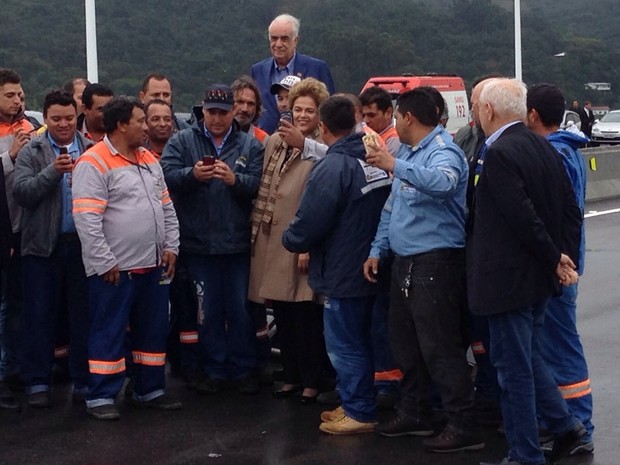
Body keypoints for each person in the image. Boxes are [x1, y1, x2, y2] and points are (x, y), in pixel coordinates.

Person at [469, 78, 585, 465]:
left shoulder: (499, 152)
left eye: (478, 107)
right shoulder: (544, 145)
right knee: (531, 357)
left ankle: (525, 454)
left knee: (512, 370)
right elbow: (570, 210)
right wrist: (562, 255)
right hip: (535, 280)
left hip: (509, 281)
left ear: (489, 110)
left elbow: (521, 217)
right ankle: (566, 428)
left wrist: (555, 257)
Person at [362, 89, 480, 453]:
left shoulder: (444, 151)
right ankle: (414, 411)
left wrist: (393, 165)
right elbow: (391, 209)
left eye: (397, 116)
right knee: (406, 344)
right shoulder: (410, 152)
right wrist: (377, 249)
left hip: (436, 262)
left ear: (409, 117)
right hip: (405, 260)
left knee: (440, 346)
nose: (395, 122)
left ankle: (462, 422)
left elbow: (443, 184)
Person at [283, 95, 391, 434]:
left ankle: (359, 411)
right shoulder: (373, 158)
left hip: (343, 269)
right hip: (371, 263)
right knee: (365, 339)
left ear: (322, 127)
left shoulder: (332, 167)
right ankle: (355, 401)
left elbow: (311, 220)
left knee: (345, 345)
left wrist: (291, 239)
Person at [72, 96, 181, 420]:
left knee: (152, 331)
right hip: (115, 270)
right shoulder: (94, 162)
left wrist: (172, 246)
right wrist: (105, 262)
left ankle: (149, 389)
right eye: (140, 121)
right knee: (109, 330)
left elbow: (166, 208)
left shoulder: (148, 159)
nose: (146, 127)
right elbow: (87, 220)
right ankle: (101, 395)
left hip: (152, 267)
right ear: (121, 125)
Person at [161, 84, 264, 396]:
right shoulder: (182, 140)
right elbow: (165, 176)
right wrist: (192, 176)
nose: (217, 118)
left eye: (223, 112)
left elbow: (261, 184)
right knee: (207, 312)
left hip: (237, 245)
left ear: (233, 112)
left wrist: (236, 181)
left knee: (239, 310)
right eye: (212, 112)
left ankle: (244, 369)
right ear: (202, 110)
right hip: (199, 245)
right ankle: (215, 368)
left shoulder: (250, 144)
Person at [249, 78, 328, 403]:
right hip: (271, 238)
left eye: (310, 110)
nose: (303, 114)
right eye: (298, 108)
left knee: (306, 316)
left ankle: (314, 378)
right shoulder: (273, 142)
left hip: (301, 241)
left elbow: (320, 198)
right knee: (281, 311)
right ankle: (292, 375)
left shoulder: (321, 147)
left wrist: (308, 244)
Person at [13, 90, 93, 408]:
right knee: (38, 316)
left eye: (69, 118)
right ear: (45, 118)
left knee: (81, 317)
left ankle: (84, 382)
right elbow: (22, 193)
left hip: (80, 247)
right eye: (56, 118)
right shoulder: (32, 151)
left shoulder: (89, 149)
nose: (63, 124)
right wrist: (52, 173)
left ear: (78, 117)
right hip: (41, 248)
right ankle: (37, 382)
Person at [526, 83, 594, 456]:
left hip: (558, 267)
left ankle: (579, 424)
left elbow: (555, 216)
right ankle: (563, 420)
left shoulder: (554, 155)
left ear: (532, 115)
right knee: (554, 345)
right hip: (565, 262)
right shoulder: (568, 150)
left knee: (561, 346)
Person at [143, 98, 200, 386]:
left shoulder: (185, 149)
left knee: (187, 308)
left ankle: (187, 366)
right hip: (147, 248)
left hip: (183, 242)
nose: (163, 123)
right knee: (150, 315)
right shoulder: (138, 155)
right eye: (156, 119)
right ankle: (145, 376)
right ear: (144, 123)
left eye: (167, 118)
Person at [0, 69, 36, 408]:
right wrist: (10, 156)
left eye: (21, 95)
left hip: (23, 231)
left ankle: (15, 369)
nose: (18, 100)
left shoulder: (29, 129)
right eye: (10, 95)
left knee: (19, 307)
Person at [251, 13, 335, 134]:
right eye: (274, 38)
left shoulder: (317, 68)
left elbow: (331, 110)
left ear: (295, 40)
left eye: (284, 39)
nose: (278, 44)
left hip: (309, 143)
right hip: (267, 142)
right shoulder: (258, 70)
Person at [360, 87, 400, 156]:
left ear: (388, 113)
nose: (366, 121)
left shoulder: (394, 140)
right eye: (363, 116)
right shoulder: (365, 134)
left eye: (371, 115)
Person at [231, 76, 269, 146]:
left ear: (257, 108)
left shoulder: (263, 140)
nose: (245, 109)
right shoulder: (218, 135)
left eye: (250, 104)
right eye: (240, 102)